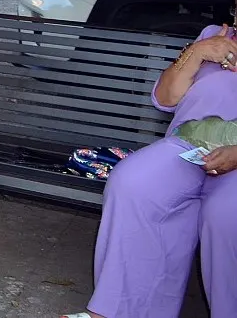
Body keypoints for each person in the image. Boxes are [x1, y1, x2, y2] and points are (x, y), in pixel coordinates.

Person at [60, 23, 237, 318]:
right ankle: (116, 312)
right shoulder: (213, 36)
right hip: (187, 146)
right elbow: (165, 98)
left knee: (225, 215)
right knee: (133, 183)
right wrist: (197, 53)